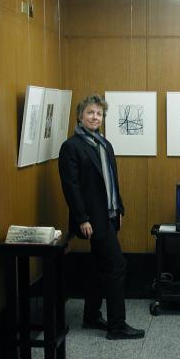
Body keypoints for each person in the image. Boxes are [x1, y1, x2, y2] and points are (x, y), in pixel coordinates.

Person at [58, 94, 145, 340]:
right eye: (90, 113)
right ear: (79, 116)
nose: (95, 117)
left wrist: (119, 209)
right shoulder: (71, 147)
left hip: (109, 216)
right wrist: (82, 218)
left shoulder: (104, 144)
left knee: (98, 267)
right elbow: (71, 187)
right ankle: (117, 326)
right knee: (117, 266)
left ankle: (91, 316)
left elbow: (112, 183)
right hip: (92, 219)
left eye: (99, 114)